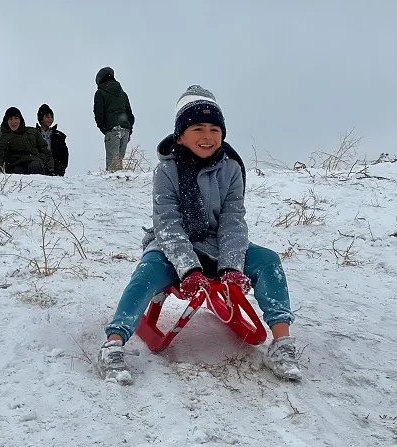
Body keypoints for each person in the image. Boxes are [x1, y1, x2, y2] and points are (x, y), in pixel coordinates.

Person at [97, 85, 302, 384]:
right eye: (198, 128)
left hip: (219, 247)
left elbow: (233, 222)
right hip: (172, 248)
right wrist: (189, 268)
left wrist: (231, 266)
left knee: (268, 260)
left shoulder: (231, 170)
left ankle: (282, 343)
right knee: (145, 274)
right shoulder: (166, 172)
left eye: (214, 129)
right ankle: (114, 343)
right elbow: (167, 224)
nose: (208, 136)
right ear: (180, 135)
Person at [93, 67, 135, 172]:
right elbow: (130, 114)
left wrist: (103, 127)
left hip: (112, 130)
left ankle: (113, 186)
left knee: (112, 165)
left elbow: (99, 113)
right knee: (119, 163)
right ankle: (120, 186)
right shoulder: (123, 93)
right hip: (125, 130)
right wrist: (129, 131)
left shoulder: (100, 93)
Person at [0, 107, 54, 175]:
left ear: (20, 120)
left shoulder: (33, 132)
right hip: (15, 164)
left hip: (34, 161)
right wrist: (0, 171)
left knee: (35, 166)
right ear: (6, 121)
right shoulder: (4, 138)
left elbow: (45, 151)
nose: (13, 122)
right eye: (10, 119)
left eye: (16, 118)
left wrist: (50, 168)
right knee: (18, 172)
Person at [36, 104, 69, 176]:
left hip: (55, 168)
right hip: (39, 167)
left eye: (51, 117)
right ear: (41, 119)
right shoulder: (34, 133)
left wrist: (62, 168)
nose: (50, 119)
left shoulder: (58, 135)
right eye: (47, 117)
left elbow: (64, 153)